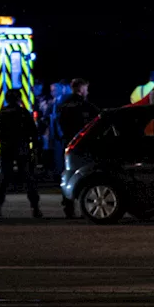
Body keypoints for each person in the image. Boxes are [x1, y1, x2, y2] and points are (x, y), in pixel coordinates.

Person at [0, 90, 42, 219]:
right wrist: (36, 152)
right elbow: (34, 134)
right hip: (22, 149)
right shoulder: (24, 114)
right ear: (19, 99)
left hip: (6, 149)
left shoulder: (0, 115)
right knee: (28, 179)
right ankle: (35, 208)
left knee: (4, 178)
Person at [56, 78, 99, 218]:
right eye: (86, 88)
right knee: (87, 176)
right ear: (81, 89)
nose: (87, 91)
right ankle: (85, 208)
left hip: (68, 145)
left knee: (68, 175)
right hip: (84, 146)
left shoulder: (62, 105)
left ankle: (68, 208)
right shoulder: (86, 106)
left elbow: (57, 127)